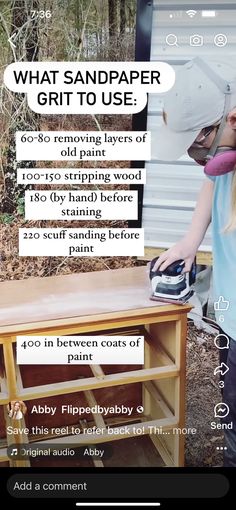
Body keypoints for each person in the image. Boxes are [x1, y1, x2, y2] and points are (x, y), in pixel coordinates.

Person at [153, 57, 236, 467]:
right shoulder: (226, 155)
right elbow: (211, 182)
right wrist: (190, 240)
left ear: (227, 121)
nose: (198, 160)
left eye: (198, 148)